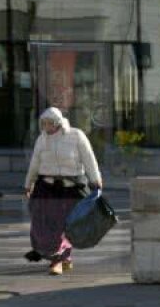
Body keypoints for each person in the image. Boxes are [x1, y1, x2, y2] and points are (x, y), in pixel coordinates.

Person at [23, 107, 102, 275]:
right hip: (47, 188)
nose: (46, 127)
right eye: (43, 124)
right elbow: (35, 163)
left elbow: (89, 158)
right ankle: (62, 258)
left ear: (58, 123)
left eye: (49, 123)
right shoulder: (41, 140)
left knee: (67, 226)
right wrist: (28, 183)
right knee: (46, 226)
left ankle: (58, 260)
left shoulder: (76, 136)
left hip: (71, 188)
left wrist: (95, 179)